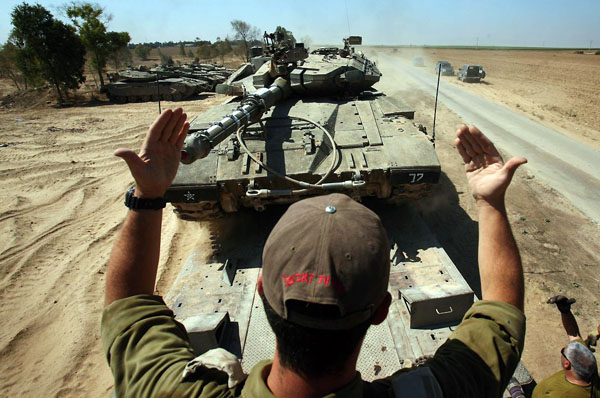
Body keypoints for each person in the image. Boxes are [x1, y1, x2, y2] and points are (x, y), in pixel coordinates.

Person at [101, 109, 527, 397]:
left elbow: (127, 309)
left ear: (263, 290)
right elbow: (500, 314)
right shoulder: (446, 388)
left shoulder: (172, 389)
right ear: (382, 308)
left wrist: (147, 195)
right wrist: (490, 203)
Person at [531, 296, 599, 398]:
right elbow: (574, 336)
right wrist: (565, 312)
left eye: (563, 350)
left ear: (567, 364)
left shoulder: (562, 394)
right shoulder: (588, 368)